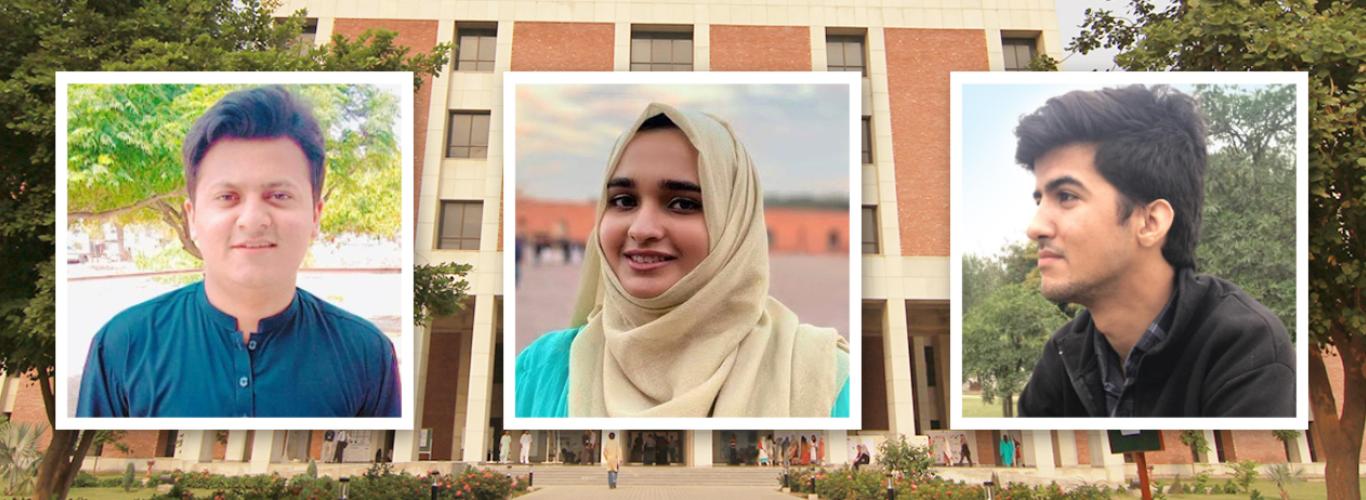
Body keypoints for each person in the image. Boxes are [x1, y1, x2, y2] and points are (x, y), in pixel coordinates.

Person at [75, 86, 400, 418]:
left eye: (279, 196)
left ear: (315, 215)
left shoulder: (367, 354)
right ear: (193, 216)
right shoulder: (123, 344)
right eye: (228, 197)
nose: (253, 220)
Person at [515, 103, 850, 418]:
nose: (641, 229)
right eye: (623, 200)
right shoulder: (542, 370)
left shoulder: (824, 379)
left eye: (682, 204)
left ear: (736, 223)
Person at [1012, 85, 1294, 417]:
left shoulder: (1244, 347)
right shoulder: (1063, 356)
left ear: (1150, 221)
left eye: (1067, 196)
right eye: (1039, 200)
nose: (1035, 227)